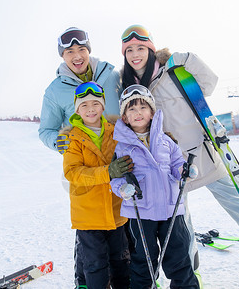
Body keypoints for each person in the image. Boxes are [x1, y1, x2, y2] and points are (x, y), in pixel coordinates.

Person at [119, 24, 239, 271]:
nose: (135, 54)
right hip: (168, 166)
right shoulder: (129, 89)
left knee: (235, 199)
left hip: (200, 153)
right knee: (181, 225)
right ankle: (190, 272)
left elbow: (209, 83)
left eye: (141, 47)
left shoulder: (173, 73)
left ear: (151, 49)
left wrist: (187, 59)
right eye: (129, 50)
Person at [38, 27, 121, 288]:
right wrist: (58, 141)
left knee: (121, 231)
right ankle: (85, 281)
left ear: (89, 50)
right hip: (83, 161)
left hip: (119, 160)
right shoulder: (55, 90)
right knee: (89, 230)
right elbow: (46, 130)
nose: (76, 56)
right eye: (69, 51)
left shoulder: (111, 74)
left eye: (81, 49)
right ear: (62, 56)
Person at [110, 85, 200, 289]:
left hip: (171, 211)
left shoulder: (166, 142)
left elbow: (178, 164)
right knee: (144, 262)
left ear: (152, 113)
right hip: (141, 213)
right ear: (124, 117)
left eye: (143, 107)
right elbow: (115, 179)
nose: (138, 113)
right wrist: (123, 189)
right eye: (131, 109)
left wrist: (185, 171)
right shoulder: (121, 146)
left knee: (179, 258)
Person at [61, 81, 133, 289]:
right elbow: (72, 172)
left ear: (103, 106)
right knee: (96, 267)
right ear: (77, 109)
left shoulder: (115, 131)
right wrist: (107, 172)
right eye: (84, 105)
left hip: (117, 214)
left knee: (121, 264)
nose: (90, 109)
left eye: (95, 103)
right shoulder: (71, 138)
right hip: (89, 217)